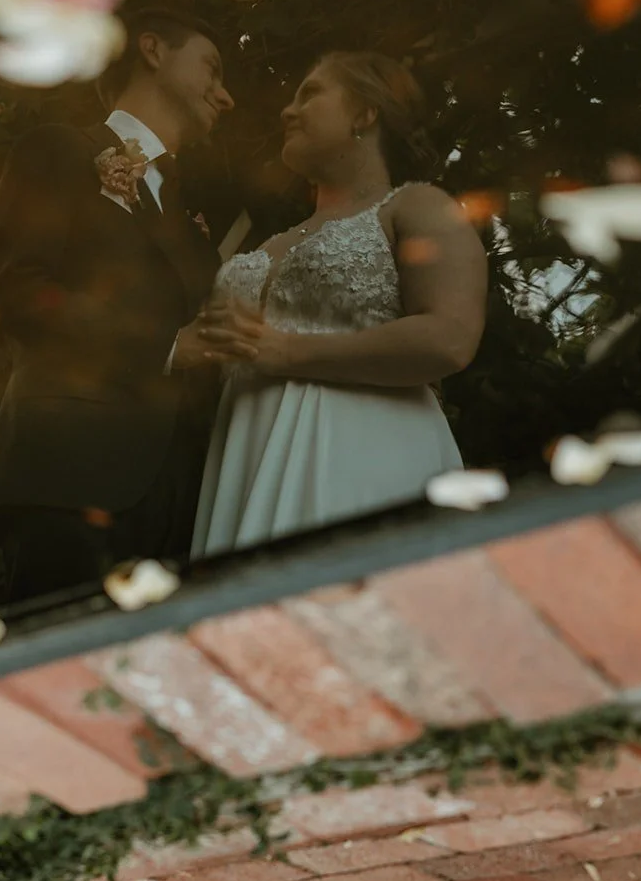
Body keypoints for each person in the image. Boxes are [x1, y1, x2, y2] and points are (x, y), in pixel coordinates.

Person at [0, 8, 235, 601]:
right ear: (153, 50)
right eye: (212, 69)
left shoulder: (190, 217)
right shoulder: (58, 150)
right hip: (70, 470)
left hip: (177, 491)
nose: (227, 96)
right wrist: (168, 346)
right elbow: (16, 295)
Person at [189, 50, 487, 557]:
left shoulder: (417, 206)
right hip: (246, 450)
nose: (288, 110)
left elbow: (450, 339)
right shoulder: (266, 243)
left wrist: (286, 354)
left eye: (310, 94)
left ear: (364, 113)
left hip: (361, 450)